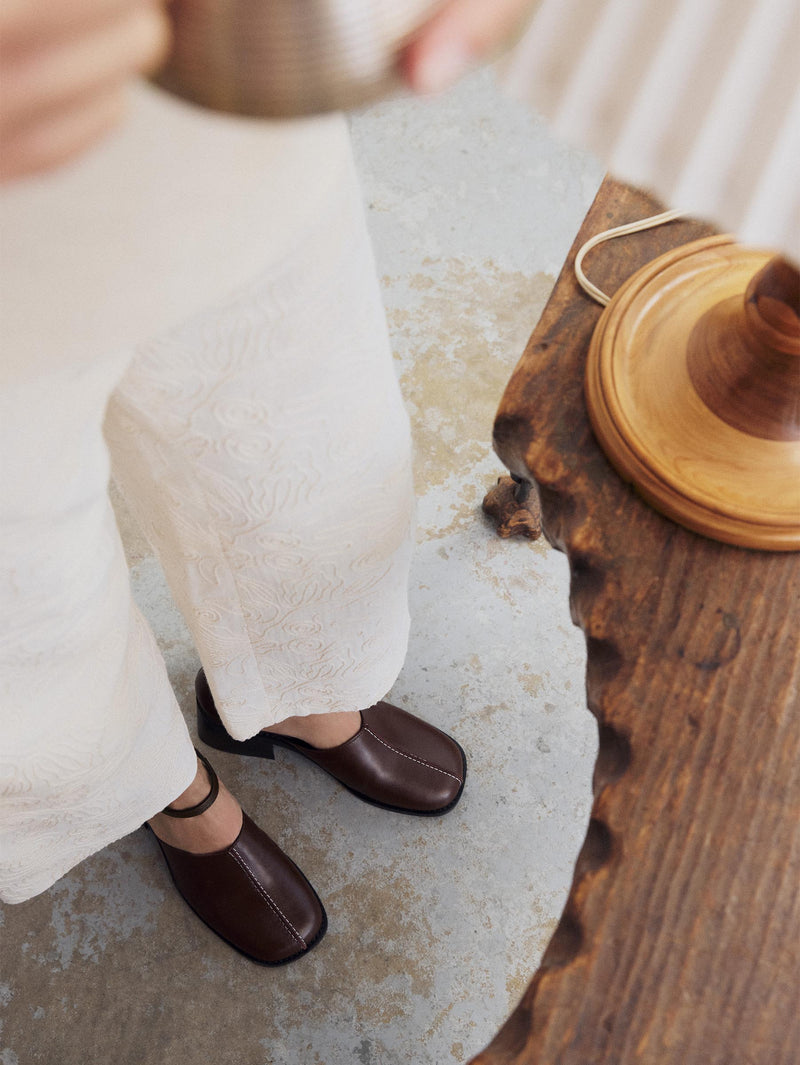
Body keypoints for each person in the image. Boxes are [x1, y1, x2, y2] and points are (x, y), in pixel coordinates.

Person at [0, 0, 533, 965]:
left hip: (208, 65)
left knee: (284, 403)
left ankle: (297, 682)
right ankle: (166, 793)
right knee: (19, 595)